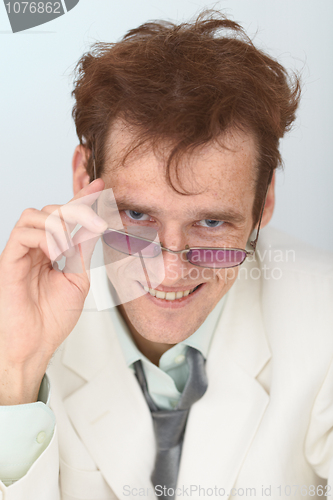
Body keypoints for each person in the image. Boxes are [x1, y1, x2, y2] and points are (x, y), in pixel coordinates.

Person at [0, 10, 332, 500]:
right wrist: (16, 372)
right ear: (81, 184)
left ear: (262, 206)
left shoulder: (324, 320)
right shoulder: (14, 314)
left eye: (212, 223)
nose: (170, 267)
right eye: (136, 215)